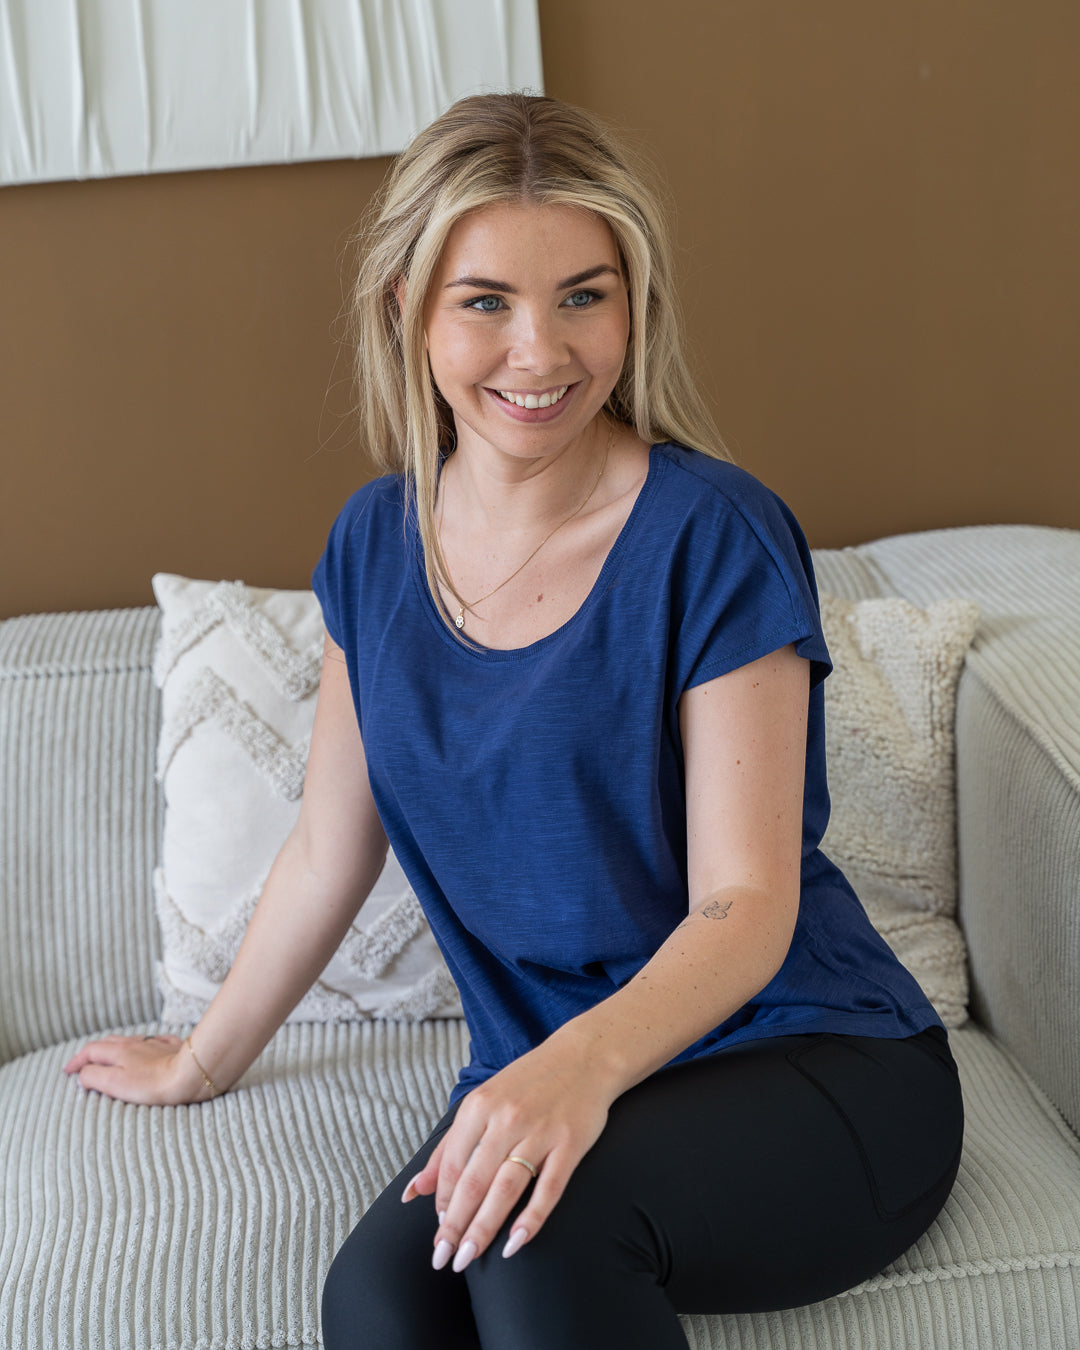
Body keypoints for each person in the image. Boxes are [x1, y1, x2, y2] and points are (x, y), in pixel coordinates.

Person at [65, 93, 963, 1348]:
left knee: (544, 1244)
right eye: (485, 301)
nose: (539, 353)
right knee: (377, 1303)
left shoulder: (713, 535)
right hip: (555, 1069)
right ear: (409, 310)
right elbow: (329, 848)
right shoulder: (374, 546)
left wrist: (577, 1071)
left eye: (583, 296)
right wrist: (204, 1058)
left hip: (807, 1058)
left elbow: (747, 904)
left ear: (634, 308)